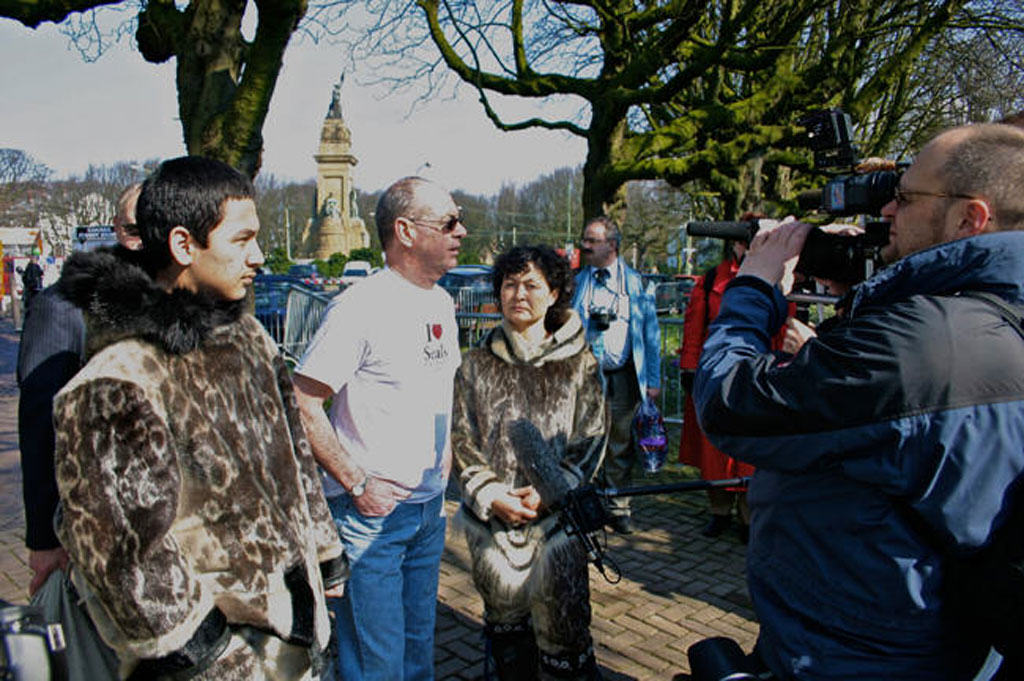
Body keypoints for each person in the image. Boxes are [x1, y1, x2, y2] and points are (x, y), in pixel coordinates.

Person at [693, 123, 1024, 679]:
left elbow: (731, 404)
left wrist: (753, 287)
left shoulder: (926, 345)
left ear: (971, 217)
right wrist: (870, 298)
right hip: (932, 645)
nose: (887, 212)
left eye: (906, 196)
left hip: (847, 656)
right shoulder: (982, 319)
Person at [53, 156, 345, 680]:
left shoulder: (251, 339)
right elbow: (123, 556)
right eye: (241, 240)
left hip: (293, 637)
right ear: (184, 245)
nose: (258, 256)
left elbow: (295, 457)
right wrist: (212, 656)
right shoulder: (120, 378)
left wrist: (322, 557)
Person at [293, 176, 466, 681]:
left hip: (427, 511)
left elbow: (440, 389)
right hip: (372, 519)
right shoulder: (360, 307)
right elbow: (303, 400)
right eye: (449, 222)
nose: (461, 232)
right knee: (376, 665)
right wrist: (357, 484)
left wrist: (446, 454)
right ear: (406, 231)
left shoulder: (440, 302)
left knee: (417, 655)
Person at [452, 245, 607, 681]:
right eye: (509, 284)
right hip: (494, 527)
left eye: (532, 285)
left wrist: (552, 491)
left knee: (565, 636)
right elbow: (461, 437)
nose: (519, 294)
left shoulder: (580, 364)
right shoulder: (475, 365)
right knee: (507, 636)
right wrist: (490, 493)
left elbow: (592, 437)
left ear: (555, 293)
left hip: (559, 526)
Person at [17, 184, 141, 597]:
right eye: (132, 230)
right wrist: (44, 539)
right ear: (116, 230)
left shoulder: (172, 305)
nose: (142, 244)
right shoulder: (64, 307)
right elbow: (40, 427)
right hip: (87, 534)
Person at [679, 237, 798, 541]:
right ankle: (719, 513)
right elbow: (694, 326)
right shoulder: (710, 280)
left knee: (752, 454)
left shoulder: (778, 276)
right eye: (745, 242)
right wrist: (690, 367)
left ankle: (748, 517)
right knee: (715, 453)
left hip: (762, 369)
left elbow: (789, 322)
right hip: (719, 368)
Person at [570, 216, 660, 534]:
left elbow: (651, 334)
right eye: (585, 239)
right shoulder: (577, 282)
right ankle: (585, 507)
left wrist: (654, 381)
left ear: (612, 244)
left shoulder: (635, 284)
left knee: (621, 443)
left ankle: (619, 507)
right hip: (586, 378)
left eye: (592, 240)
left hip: (624, 377)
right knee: (585, 441)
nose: (585, 246)